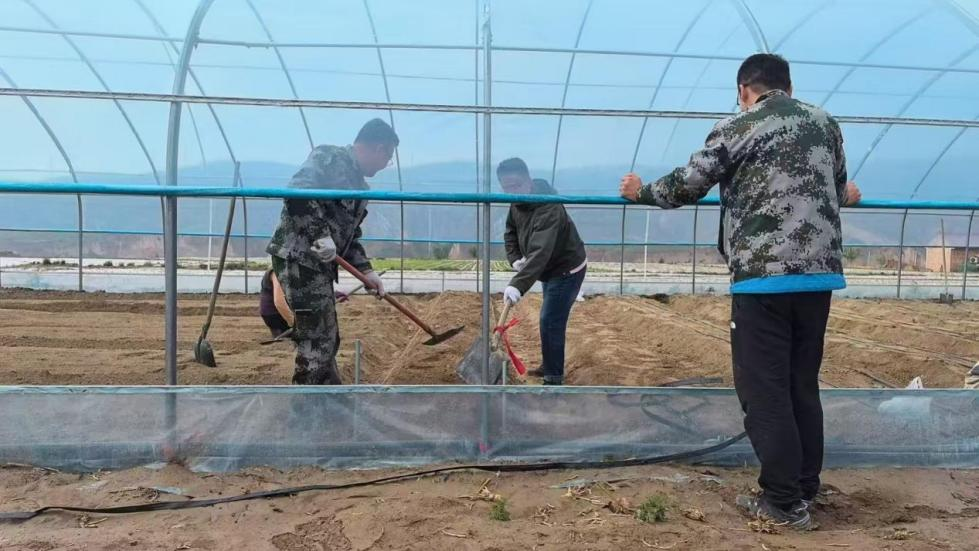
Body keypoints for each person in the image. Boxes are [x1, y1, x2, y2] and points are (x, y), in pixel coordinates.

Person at [619, 54, 862, 530]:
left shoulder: (737, 126)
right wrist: (849, 194)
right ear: (789, 88)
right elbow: (837, 190)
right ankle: (803, 487)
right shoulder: (824, 122)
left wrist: (640, 191)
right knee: (800, 384)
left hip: (763, 277)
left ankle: (783, 503)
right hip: (818, 277)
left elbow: (687, 185)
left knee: (764, 391)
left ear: (743, 90)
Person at [266, 118, 397, 384]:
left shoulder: (360, 188)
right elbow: (296, 192)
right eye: (388, 158)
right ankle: (309, 401)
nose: (386, 165)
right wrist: (319, 234)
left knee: (326, 336)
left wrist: (366, 271)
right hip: (299, 258)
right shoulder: (329, 157)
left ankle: (329, 394)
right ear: (379, 149)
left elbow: (350, 236)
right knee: (317, 338)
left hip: (319, 266)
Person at [499, 157, 587, 386]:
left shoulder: (549, 207)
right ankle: (549, 365)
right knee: (548, 319)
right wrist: (515, 259)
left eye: (516, 186)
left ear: (528, 180)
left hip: (566, 269)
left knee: (550, 319)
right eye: (506, 188)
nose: (512, 192)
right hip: (549, 269)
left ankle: (553, 378)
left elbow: (540, 252)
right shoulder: (516, 203)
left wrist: (517, 284)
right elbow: (510, 232)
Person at [258, 269, 347, 339]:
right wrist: (294, 323)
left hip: (286, 311)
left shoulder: (294, 270)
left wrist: (332, 295)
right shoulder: (277, 272)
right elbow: (279, 303)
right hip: (275, 315)